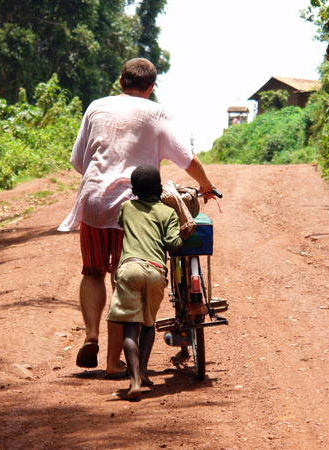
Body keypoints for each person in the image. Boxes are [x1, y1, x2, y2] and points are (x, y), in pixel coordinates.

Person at [58, 57, 216, 378]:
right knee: (124, 279)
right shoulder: (157, 112)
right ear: (152, 87)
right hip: (133, 206)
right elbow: (187, 158)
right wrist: (206, 186)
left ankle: (91, 335)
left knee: (92, 271)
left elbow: (79, 161)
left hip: (92, 201)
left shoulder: (96, 107)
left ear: (120, 81)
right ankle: (114, 363)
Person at [106, 165, 182, 399]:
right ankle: (144, 370)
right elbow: (172, 244)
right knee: (148, 325)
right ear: (160, 189)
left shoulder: (127, 207)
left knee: (131, 327)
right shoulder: (168, 213)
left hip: (129, 269)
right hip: (155, 271)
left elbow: (121, 222)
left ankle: (134, 381)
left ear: (134, 190)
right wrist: (179, 237)